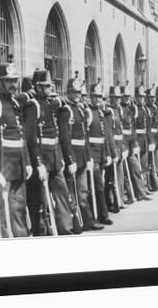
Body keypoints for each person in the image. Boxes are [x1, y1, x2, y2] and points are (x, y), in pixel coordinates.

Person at [24, 69, 74, 236]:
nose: (49, 89)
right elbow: (31, 137)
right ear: (37, 87)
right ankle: (44, 233)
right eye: (45, 86)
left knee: (62, 194)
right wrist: (37, 163)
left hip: (55, 158)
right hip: (43, 160)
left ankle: (65, 229)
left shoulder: (49, 104)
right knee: (41, 202)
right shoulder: (33, 106)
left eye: (50, 86)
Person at [57, 72, 104, 231]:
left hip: (83, 156)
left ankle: (88, 221)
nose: (77, 95)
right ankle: (76, 224)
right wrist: (70, 160)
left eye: (79, 92)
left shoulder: (81, 109)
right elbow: (64, 138)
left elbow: (86, 135)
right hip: (73, 158)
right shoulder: (66, 111)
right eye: (74, 92)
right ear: (68, 92)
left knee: (83, 192)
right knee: (72, 194)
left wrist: (89, 157)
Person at [0, 58, 32, 238]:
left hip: (18, 166)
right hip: (3, 167)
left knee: (18, 208)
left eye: (14, 80)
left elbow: (21, 135)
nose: (13, 84)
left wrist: (28, 162)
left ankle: (20, 242)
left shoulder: (15, 103)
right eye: (9, 81)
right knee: (2, 213)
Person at [84, 79, 114, 225]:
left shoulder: (100, 112)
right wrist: (88, 157)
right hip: (92, 155)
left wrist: (107, 154)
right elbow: (85, 137)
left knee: (99, 184)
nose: (98, 99)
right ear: (90, 96)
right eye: (95, 96)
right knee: (96, 185)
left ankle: (102, 213)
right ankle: (100, 215)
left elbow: (105, 136)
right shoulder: (87, 112)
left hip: (101, 154)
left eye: (100, 96)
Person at [121, 82, 151, 201]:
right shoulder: (121, 109)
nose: (126, 99)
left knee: (137, 168)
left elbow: (131, 128)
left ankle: (140, 192)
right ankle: (129, 194)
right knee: (124, 173)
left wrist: (134, 144)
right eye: (124, 97)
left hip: (132, 143)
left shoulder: (129, 109)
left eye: (128, 97)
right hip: (122, 145)